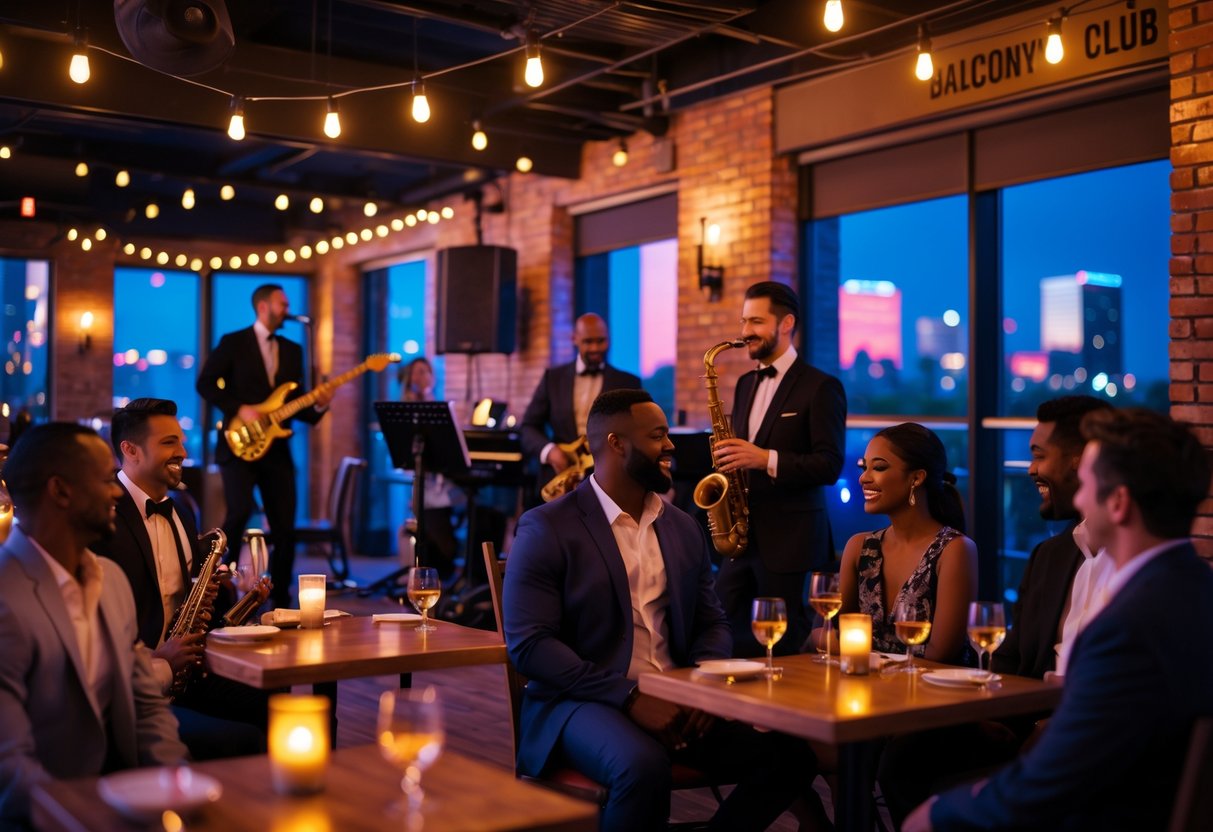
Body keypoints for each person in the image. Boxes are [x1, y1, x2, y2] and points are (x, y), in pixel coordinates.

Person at [504, 388, 819, 832]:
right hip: (580, 702)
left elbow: (712, 621)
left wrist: (704, 685)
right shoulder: (547, 526)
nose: (671, 445)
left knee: (791, 755)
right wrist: (630, 697)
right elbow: (531, 646)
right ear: (617, 444)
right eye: (658, 436)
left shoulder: (683, 526)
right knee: (642, 766)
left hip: (680, 698)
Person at [905, 408, 1213, 832]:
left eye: (1087, 485)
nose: (1081, 500)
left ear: (1118, 503)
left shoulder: (1125, 628)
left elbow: (1048, 784)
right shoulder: (1197, 589)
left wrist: (936, 815)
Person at [0, 423, 188, 826]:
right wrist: (90, 816)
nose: (118, 491)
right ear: (60, 491)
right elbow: (9, 766)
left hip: (122, 797)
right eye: (106, 480)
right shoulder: (5, 599)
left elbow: (145, 704)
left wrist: (175, 783)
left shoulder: (111, 580)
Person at [93, 398, 271, 760]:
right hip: (134, 683)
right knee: (238, 738)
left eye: (181, 440)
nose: (182, 451)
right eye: (168, 442)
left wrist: (236, 595)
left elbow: (189, 602)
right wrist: (156, 660)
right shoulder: (101, 518)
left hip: (184, 674)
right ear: (131, 450)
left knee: (275, 697)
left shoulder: (182, 513)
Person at [713, 281, 846, 657]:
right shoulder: (744, 384)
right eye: (743, 321)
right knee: (721, 630)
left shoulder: (822, 387)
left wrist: (764, 458)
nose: (744, 332)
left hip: (791, 543)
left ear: (786, 323)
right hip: (741, 537)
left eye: (755, 321)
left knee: (783, 648)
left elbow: (830, 464)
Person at [196, 283, 331, 607]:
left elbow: (299, 407)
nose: (287, 309)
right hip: (238, 444)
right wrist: (239, 408)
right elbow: (204, 383)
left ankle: (281, 599)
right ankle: (214, 591)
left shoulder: (293, 350)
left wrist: (321, 404)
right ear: (263, 307)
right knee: (239, 513)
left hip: (277, 450)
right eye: (281, 304)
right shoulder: (233, 342)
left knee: (285, 526)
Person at [832, 423, 976, 663]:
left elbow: (941, 654)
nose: (863, 478)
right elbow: (824, 633)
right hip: (867, 692)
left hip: (936, 694)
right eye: (863, 467)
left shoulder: (954, 550)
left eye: (878, 467)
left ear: (917, 478)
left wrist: (859, 648)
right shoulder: (859, 547)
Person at [992, 395, 1112, 679]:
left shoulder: (1140, 569)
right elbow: (1008, 659)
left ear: (1082, 461)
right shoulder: (1047, 556)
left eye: (1039, 455)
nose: (1031, 469)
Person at [520, 313, 641, 493]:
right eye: (588, 342)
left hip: (611, 483)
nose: (595, 348)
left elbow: (639, 432)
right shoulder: (552, 379)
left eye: (601, 341)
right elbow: (528, 427)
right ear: (574, 339)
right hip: (559, 482)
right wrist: (550, 451)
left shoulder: (629, 383)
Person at [398, 357, 459, 581]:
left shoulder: (440, 408)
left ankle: (443, 578)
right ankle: (425, 580)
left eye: (424, 372)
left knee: (443, 541)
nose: (420, 377)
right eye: (415, 373)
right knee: (429, 537)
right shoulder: (404, 410)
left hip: (443, 487)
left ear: (433, 377)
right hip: (421, 487)